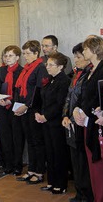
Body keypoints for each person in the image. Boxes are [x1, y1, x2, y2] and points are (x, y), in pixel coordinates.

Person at [73, 35, 103, 202]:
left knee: (101, 167)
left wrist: (86, 113)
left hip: (99, 123)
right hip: (88, 122)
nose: (83, 51)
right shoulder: (91, 69)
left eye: (85, 49)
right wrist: (77, 109)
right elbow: (83, 95)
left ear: (93, 50)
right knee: (92, 166)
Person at [62, 43, 94, 202]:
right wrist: (65, 116)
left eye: (79, 57)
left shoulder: (90, 74)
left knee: (83, 161)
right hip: (71, 122)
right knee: (75, 160)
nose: (75, 60)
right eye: (74, 56)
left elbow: (84, 100)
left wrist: (75, 117)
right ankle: (80, 193)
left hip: (81, 122)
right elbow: (68, 97)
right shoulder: (76, 74)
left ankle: (87, 194)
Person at [36, 52, 71, 194]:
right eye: (47, 64)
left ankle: (61, 184)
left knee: (58, 153)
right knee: (49, 153)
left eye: (51, 65)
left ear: (61, 67)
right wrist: (39, 114)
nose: (47, 67)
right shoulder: (50, 79)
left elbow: (60, 104)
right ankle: (52, 182)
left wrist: (46, 116)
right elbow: (42, 99)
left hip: (56, 122)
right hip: (46, 122)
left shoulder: (64, 81)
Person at [13, 40, 47, 184]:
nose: (25, 56)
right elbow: (20, 89)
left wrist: (26, 106)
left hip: (34, 109)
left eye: (28, 53)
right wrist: (18, 106)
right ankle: (31, 169)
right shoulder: (26, 68)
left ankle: (39, 172)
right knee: (30, 141)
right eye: (24, 53)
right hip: (25, 108)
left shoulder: (40, 67)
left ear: (36, 53)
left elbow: (38, 90)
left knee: (37, 141)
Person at [0, 45, 22, 175]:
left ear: (17, 57)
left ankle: (17, 165)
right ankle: (7, 165)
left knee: (17, 136)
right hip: (0, 108)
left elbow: (20, 91)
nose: (7, 58)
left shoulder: (22, 71)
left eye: (10, 55)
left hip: (15, 108)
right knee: (4, 136)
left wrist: (11, 100)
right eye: (5, 55)